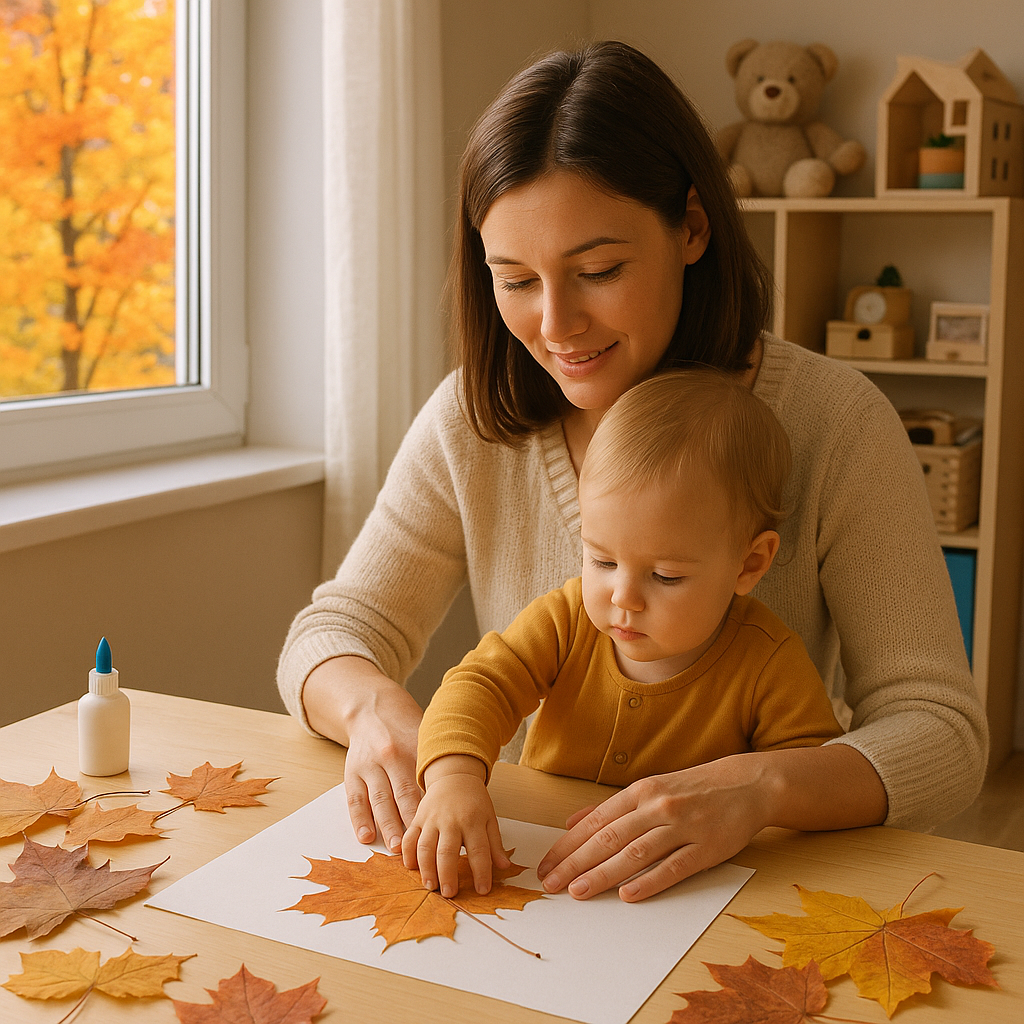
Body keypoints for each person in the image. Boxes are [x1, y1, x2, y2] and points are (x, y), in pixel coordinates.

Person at [277, 40, 987, 903]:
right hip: (540, 880)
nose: (556, 324)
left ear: (692, 227)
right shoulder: (475, 416)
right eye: (516, 280)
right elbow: (333, 631)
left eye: (599, 271)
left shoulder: (835, 422)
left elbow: (942, 735)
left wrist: (761, 788)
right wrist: (374, 714)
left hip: (745, 887)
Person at [402, 369, 845, 898]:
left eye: (666, 576)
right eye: (602, 559)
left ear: (749, 564)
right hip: (542, 872)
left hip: (689, 894)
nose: (623, 597)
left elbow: (814, 780)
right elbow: (479, 686)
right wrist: (454, 778)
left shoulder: (770, 663)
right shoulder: (565, 620)